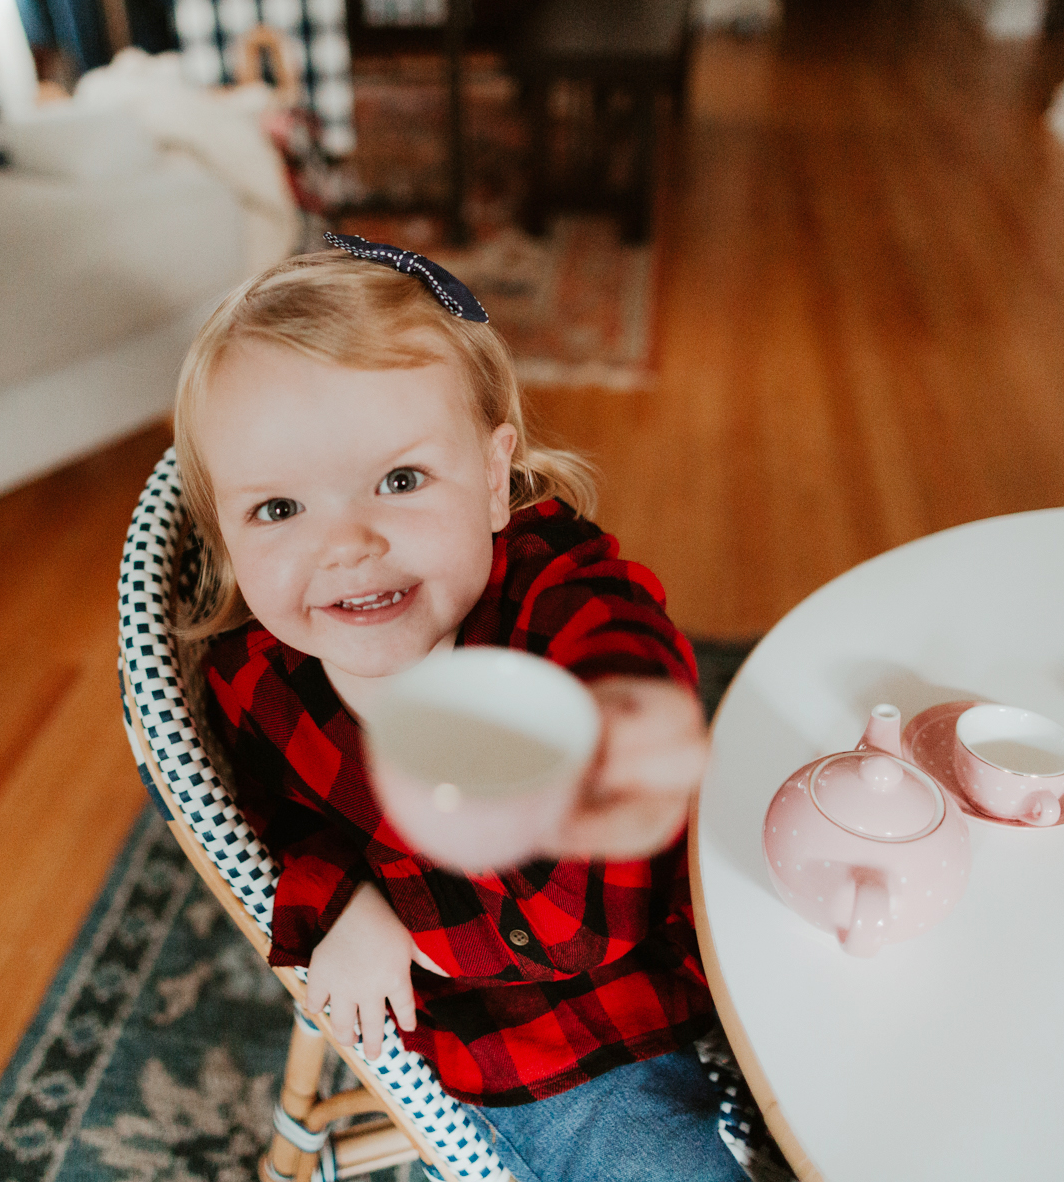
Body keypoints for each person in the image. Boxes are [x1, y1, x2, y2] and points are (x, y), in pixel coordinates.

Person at [178, 234, 745, 1182]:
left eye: (400, 482)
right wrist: (341, 900)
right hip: (563, 1055)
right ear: (224, 536)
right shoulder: (262, 681)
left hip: (708, 914)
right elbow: (280, 823)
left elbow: (585, 908)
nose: (349, 544)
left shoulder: (557, 598)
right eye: (279, 509)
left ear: (493, 480)